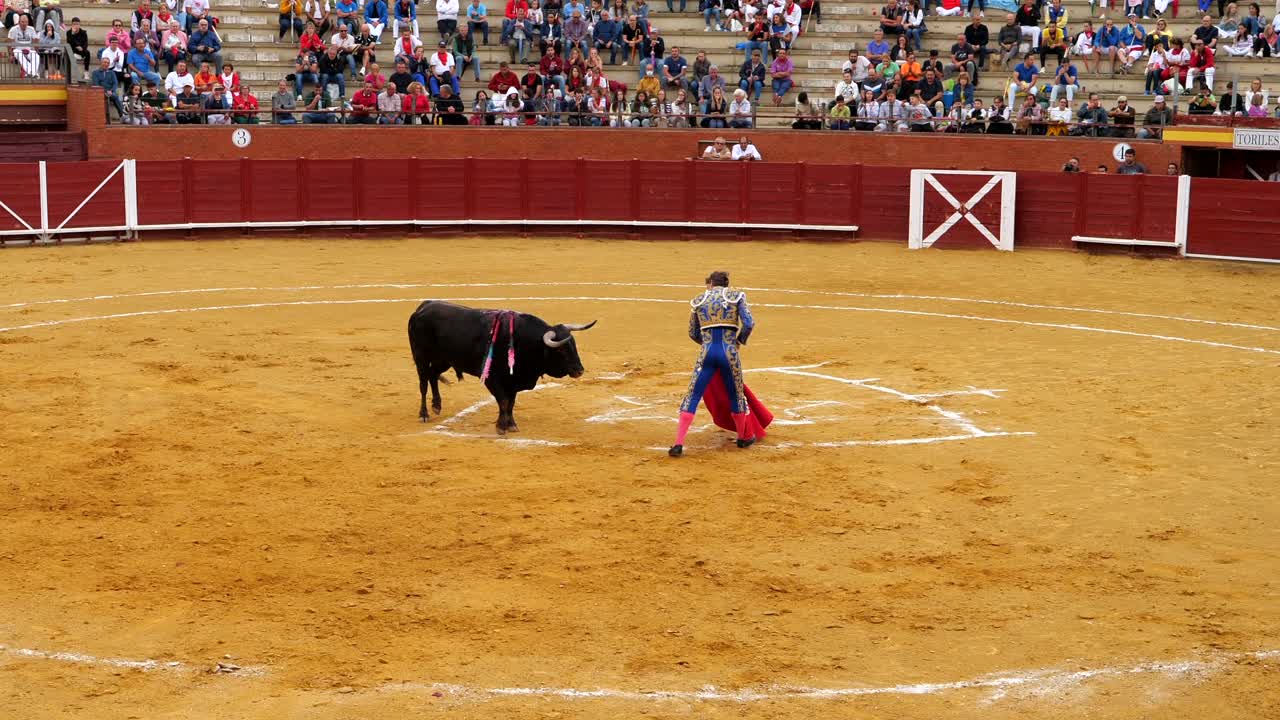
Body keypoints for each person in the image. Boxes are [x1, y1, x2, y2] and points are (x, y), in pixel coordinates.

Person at [669, 271, 769, 457]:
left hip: (706, 354)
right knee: (736, 395)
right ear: (726, 284)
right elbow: (749, 323)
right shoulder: (736, 296)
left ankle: (678, 444)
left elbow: (692, 332)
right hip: (729, 353)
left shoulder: (699, 300)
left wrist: (707, 344)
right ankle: (743, 438)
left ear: (711, 284)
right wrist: (738, 341)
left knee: (692, 396)